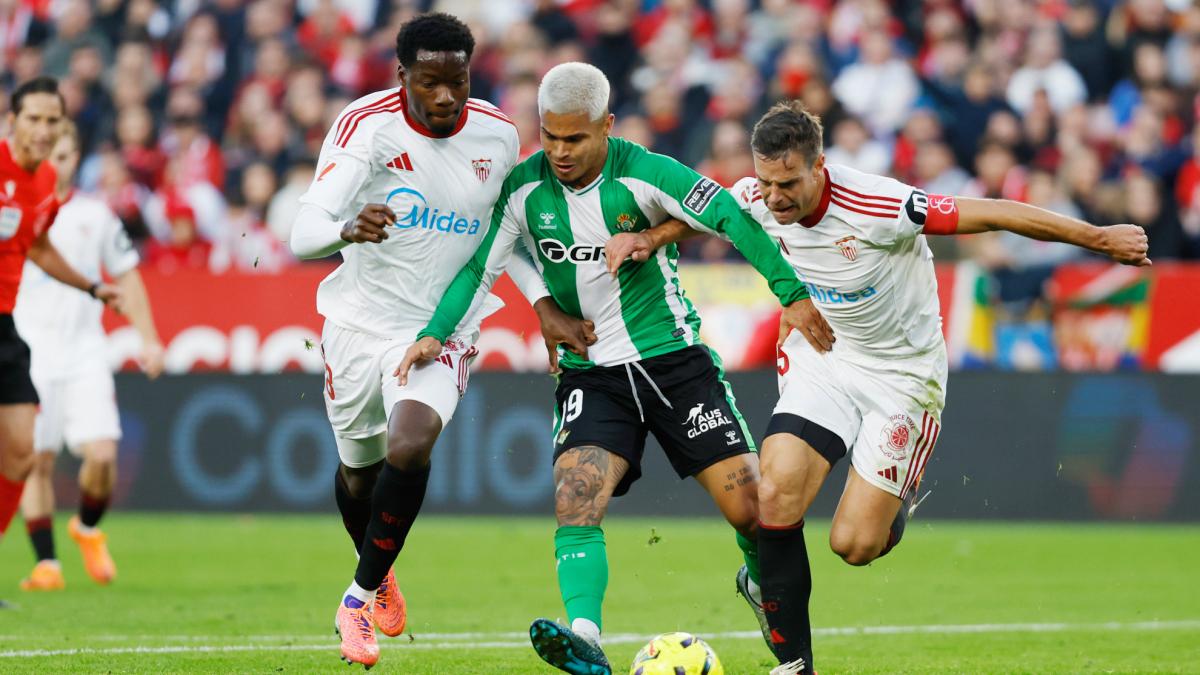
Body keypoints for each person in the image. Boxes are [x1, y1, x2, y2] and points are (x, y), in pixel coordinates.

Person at [605, 101, 1150, 675]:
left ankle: (894, 502)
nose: (774, 197)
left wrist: (1096, 237)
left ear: (820, 167)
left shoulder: (879, 204)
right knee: (776, 492)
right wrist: (653, 238)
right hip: (826, 359)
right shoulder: (756, 196)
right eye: (766, 182)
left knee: (855, 545)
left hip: (902, 378)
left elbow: (992, 212)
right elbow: (712, 216)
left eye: (788, 183)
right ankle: (795, 665)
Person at [396, 63, 831, 675]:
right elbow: (479, 268)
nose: (560, 152)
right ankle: (584, 638)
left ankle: (765, 598)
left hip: (673, 363)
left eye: (574, 139)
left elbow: (733, 217)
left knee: (756, 514)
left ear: (607, 125)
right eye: (549, 137)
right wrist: (434, 334)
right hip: (590, 370)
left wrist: (789, 292)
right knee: (576, 497)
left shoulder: (646, 172)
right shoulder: (524, 190)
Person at [287, 14, 593, 669]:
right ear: (402, 77)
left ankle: (357, 595)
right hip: (356, 323)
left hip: (443, 326)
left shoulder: (496, 134)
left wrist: (540, 302)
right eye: (430, 82)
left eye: (458, 79)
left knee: (411, 439)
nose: (447, 95)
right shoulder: (366, 127)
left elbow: (501, 235)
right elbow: (302, 230)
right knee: (358, 472)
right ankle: (381, 566)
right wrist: (346, 227)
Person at [13, 120, 163, 591]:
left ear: (75, 159)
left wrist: (148, 336)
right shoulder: (14, 209)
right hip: (28, 350)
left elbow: (129, 275)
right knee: (34, 460)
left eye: (63, 155)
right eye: (47, 154)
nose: (53, 163)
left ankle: (87, 526)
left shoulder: (95, 215)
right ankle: (47, 564)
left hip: (83, 352)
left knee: (101, 455)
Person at [0, 76, 121, 604]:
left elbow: (38, 248)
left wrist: (92, 286)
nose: (44, 130)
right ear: (12, 122)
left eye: (53, 120)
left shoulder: (45, 182)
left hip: (5, 325)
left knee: (22, 450)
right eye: (34, 119)